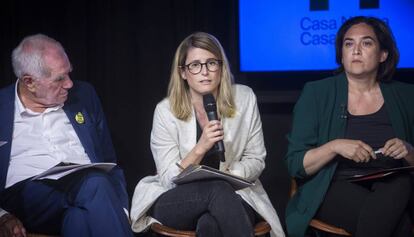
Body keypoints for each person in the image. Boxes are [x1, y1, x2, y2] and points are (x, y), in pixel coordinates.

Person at [130, 32, 285, 237]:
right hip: (176, 199)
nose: (205, 72)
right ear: (183, 73)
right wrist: (201, 147)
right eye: (195, 65)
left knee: (209, 224)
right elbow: (168, 179)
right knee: (217, 190)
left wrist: (229, 174)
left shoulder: (244, 98)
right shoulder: (165, 111)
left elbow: (256, 159)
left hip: (235, 196)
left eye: (211, 63)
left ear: (221, 67)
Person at [285, 16, 414, 237]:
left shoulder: (407, 95)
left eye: (366, 43)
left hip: (394, 184)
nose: (356, 50)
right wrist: (335, 146)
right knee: (399, 226)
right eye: (348, 43)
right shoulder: (316, 93)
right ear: (341, 55)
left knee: (401, 183)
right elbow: (295, 164)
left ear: (383, 54)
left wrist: (409, 151)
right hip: (333, 185)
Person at [0, 34, 134, 237]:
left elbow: (108, 159)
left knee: (77, 219)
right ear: (30, 82)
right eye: (59, 79)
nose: (70, 84)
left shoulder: (84, 95)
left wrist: (118, 210)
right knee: (95, 183)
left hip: (89, 195)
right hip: (28, 197)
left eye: (69, 74)